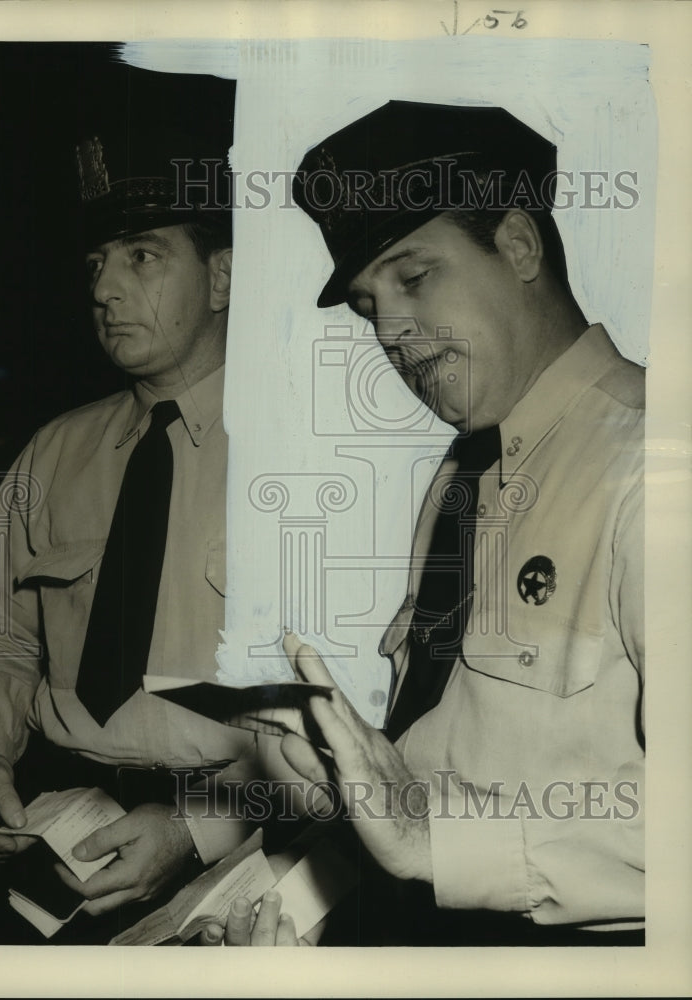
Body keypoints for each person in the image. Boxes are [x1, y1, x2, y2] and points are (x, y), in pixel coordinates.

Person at [208, 100, 645, 946]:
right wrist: (343, 802)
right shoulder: (464, 475)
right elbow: (449, 764)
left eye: (414, 277)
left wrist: (428, 838)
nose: (394, 333)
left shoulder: (651, 471)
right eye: (370, 305)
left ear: (517, 245)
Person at [0, 63, 280, 944]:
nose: (102, 288)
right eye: (96, 261)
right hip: (57, 835)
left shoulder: (304, 459)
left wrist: (200, 822)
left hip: (246, 855)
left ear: (224, 276)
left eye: (141, 256)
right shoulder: (56, 451)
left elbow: (357, 713)